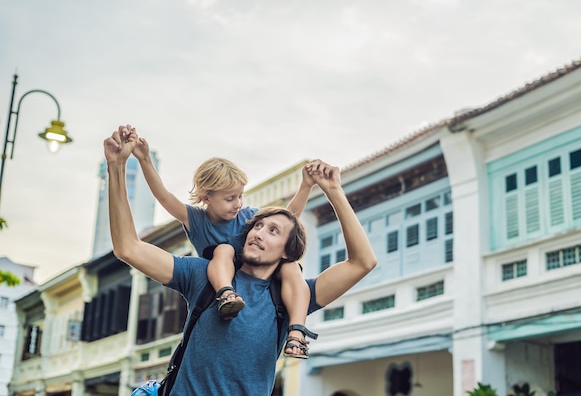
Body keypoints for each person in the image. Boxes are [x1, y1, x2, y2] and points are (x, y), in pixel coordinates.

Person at [104, 125, 377, 396]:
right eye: (257, 226)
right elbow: (128, 247)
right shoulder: (203, 274)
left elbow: (362, 262)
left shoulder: (292, 296)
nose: (258, 232)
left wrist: (334, 191)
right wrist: (116, 168)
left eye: (273, 231)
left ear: (286, 251)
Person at [131, 134, 317, 357]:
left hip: (258, 274)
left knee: (291, 267)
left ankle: (297, 332)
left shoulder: (248, 216)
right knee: (224, 249)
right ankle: (226, 294)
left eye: (240, 196)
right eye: (230, 199)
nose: (238, 204)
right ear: (206, 197)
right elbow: (164, 197)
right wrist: (145, 160)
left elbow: (287, 220)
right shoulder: (197, 220)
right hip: (220, 281)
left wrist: (306, 185)